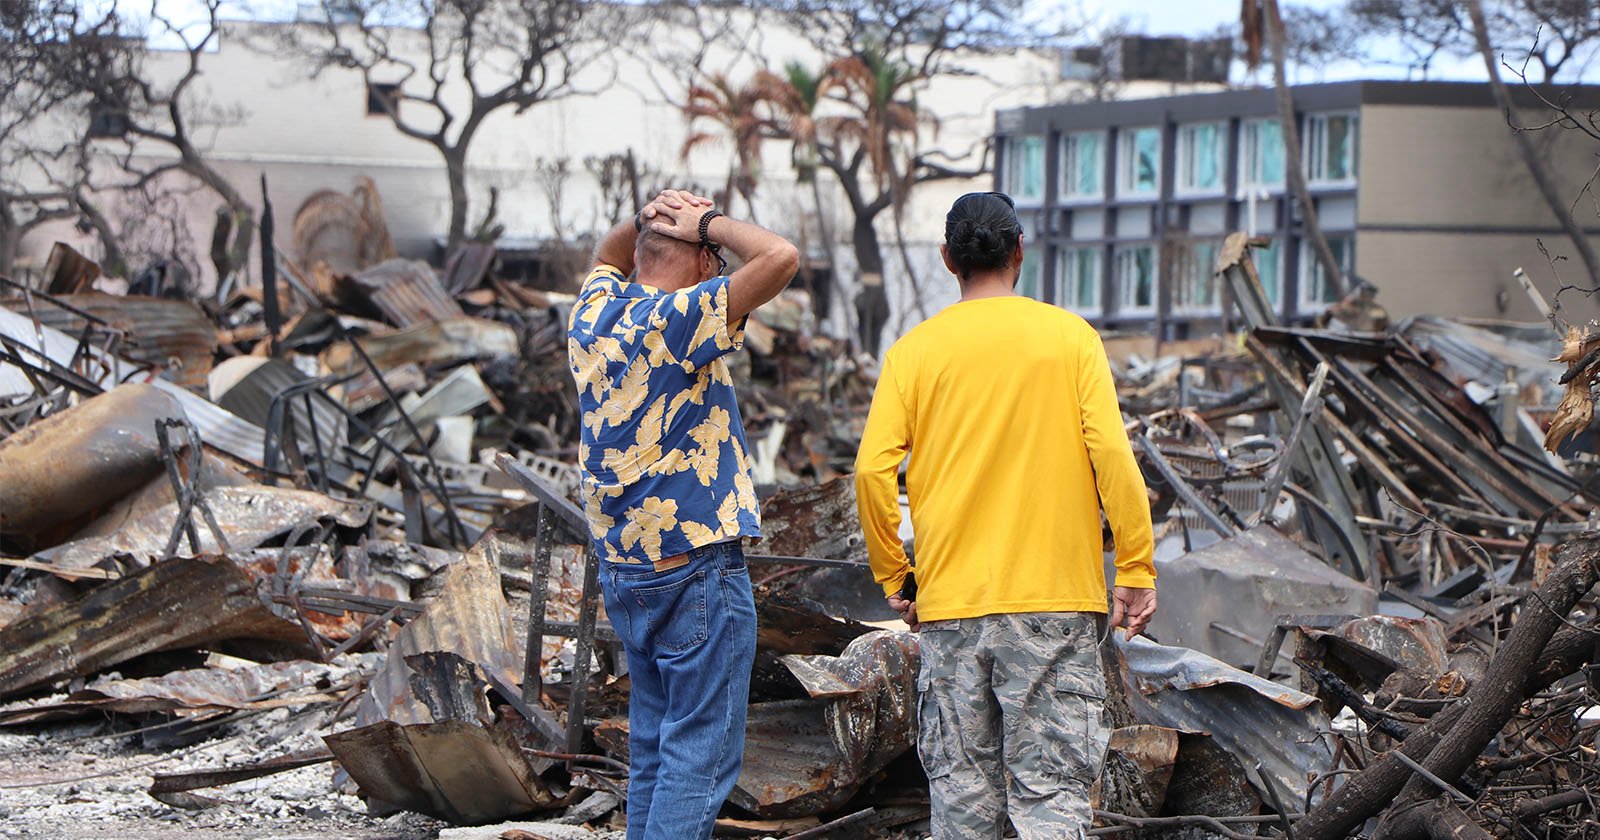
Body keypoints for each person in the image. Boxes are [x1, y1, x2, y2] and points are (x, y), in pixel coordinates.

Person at [853, 191, 1158, 839]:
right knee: (1051, 799)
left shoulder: (914, 353)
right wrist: (1135, 564)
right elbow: (1111, 453)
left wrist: (897, 579)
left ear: (946, 259)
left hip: (951, 606)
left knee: (963, 803)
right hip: (1054, 606)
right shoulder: (1070, 339)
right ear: (1020, 251)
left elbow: (872, 472)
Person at [567, 189, 799, 839]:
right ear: (701, 261)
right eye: (714, 256)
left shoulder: (593, 313)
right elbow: (781, 256)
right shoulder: (680, 316)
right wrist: (708, 222)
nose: (721, 268)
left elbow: (607, 254)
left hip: (627, 571)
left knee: (654, 753)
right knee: (699, 759)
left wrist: (651, 217)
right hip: (694, 570)